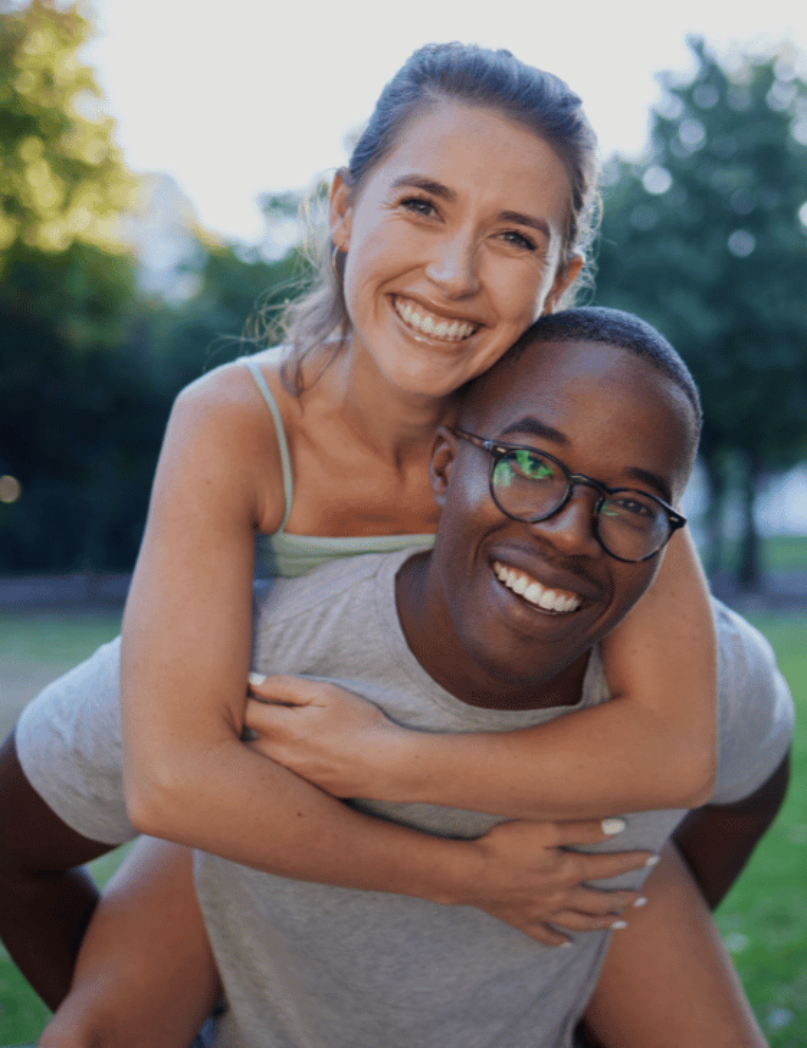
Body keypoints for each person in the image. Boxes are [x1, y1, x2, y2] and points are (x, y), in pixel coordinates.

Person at [1, 42, 717, 1006]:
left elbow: (677, 746)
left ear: (558, 282)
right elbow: (172, 778)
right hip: (298, 802)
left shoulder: (580, 436)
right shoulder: (238, 422)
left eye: (513, 238)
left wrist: (394, 756)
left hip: (473, 785)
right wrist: (469, 877)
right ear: (343, 208)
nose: (454, 274)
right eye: (421, 205)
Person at [27, 309, 791, 1047]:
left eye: (629, 503)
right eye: (527, 464)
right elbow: (18, 848)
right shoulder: (243, 673)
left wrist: (609, 981)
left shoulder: (702, 689)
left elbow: (752, 784)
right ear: (444, 467)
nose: (567, 531)